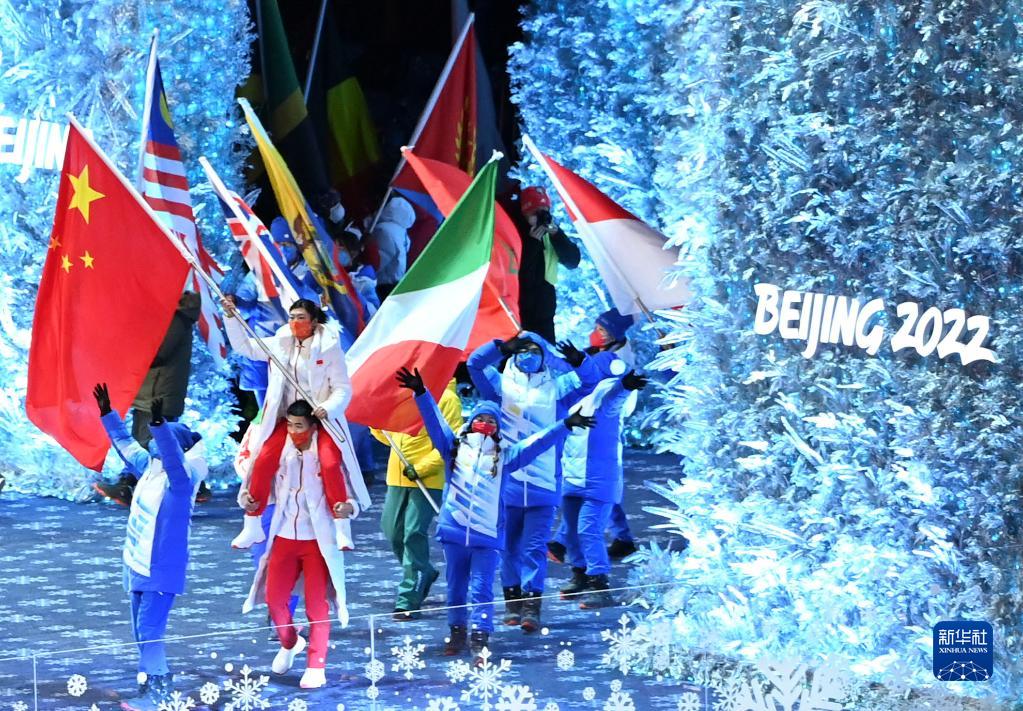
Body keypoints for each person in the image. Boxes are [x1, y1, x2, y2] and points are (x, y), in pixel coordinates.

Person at [397, 366, 595, 662]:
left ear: (498, 427)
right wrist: (421, 392)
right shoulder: (453, 449)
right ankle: (457, 632)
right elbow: (435, 422)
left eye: (491, 420)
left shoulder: (505, 456)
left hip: (486, 538)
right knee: (456, 589)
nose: (485, 424)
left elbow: (538, 442)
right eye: (480, 419)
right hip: (454, 534)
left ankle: (481, 636)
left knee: (481, 590)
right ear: (471, 422)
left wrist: (565, 425)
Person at [467, 332, 597, 632]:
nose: (528, 355)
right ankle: (512, 602)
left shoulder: (558, 387)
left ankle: (531, 606)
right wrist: (500, 347)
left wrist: (579, 361)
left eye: (534, 350)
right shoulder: (500, 386)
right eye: (522, 350)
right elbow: (475, 364)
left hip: (544, 483)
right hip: (506, 482)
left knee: (535, 547)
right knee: (508, 546)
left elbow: (590, 382)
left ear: (544, 355)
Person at [219, 295, 372, 546]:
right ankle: (252, 522)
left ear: (314, 322)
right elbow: (245, 347)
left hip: (319, 419)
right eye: (291, 317)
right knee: (264, 459)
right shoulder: (279, 343)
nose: (295, 322)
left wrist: (327, 408)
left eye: (301, 318)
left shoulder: (329, 348)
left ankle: (341, 525)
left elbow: (342, 388)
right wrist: (230, 318)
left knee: (330, 463)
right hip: (287, 418)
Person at [93, 384, 206, 711]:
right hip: (137, 563)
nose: (153, 445)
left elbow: (173, 458)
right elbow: (127, 446)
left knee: (149, 629)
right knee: (139, 629)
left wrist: (159, 426)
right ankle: (149, 683)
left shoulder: (181, 482)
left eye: (160, 441)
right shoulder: (149, 469)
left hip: (161, 568)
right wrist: (108, 414)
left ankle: (159, 691)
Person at [238, 400, 357, 689]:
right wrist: (248, 500)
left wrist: (348, 508)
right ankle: (291, 642)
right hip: (284, 537)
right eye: (290, 425)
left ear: (312, 426)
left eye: (299, 426)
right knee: (274, 599)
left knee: (317, 606)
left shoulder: (327, 452)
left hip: (317, 541)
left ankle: (316, 665)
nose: (293, 431)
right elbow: (256, 477)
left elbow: (350, 488)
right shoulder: (281, 450)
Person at [93, 291, 206, 506]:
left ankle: (131, 486)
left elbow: (158, 352)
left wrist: (128, 342)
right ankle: (128, 483)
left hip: (159, 392)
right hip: (151, 390)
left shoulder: (177, 316)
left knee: (150, 443)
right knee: (146, 441)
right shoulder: (171, 314)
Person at [371, 379, 463, 620]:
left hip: (427, 479)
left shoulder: (447, 398)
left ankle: (408, 598)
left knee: (412, 534)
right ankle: (424, 570)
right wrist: (376, 426)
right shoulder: (403, 394)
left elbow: (451, 442)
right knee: (392, 531)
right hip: (397, 475)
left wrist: (422, 468)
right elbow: (391, 437)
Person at [558, 367, 648, 608]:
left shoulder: (606, 406)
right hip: (571, 479)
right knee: (572, 532)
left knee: (588, 530)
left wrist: (625, 386)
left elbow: (614, 398)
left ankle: (600, 585)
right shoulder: (574, 400)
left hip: (599, 482)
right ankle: (580, 575)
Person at [507, 186, 581, 343]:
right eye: (536, 212)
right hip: (521, 303)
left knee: (546, 349)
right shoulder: (514, 231)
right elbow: (519, 271)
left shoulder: (550, 232)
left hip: (544, 302)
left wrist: (557, 235)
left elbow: (573, 261)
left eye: (545, 211)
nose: (541, 216)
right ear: (524, 212)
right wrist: (532, 242)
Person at [372, 195, 415, 302]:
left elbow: (378, 262)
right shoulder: (403, 234)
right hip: (394, 283)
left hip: (381, 283)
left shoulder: (384, 230)